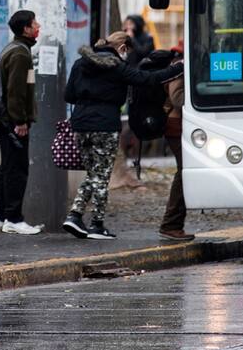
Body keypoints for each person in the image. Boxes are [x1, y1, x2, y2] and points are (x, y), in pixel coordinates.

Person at [62, 31, 183, 240]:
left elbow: (69, 95)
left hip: (80, 125)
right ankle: (96, 224)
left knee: (93, 172)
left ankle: (75, 216)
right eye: (127, 52)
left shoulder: (80, 63)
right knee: (101, 174)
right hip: (105, 124)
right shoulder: (116, 66)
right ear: (122, 48)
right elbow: (147, 79)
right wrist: (177, 68)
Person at [0, 9, 41, 235]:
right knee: (17, 169)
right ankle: (13, 218)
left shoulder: (13, 49)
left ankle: (2, 216)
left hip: (6, 120)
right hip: (14, 122)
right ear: (26, 29)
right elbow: (16, 91)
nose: (38, 26)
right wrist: (20, 120)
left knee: (7, 168)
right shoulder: (21, 54)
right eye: (35, 23)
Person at [159, 42, 195, 241]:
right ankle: (170, 224)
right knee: (183, 173)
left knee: (183, 173)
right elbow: (177, 98)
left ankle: (172, 224)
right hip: (176, 125)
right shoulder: (180, 67)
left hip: (180, 125)